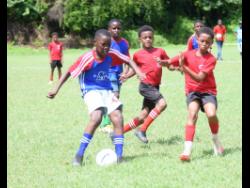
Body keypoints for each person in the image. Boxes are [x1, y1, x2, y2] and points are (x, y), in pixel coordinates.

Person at [47, 29, 145, 166]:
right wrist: (56, 89)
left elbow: (127, 59)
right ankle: (79, 155)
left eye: (108, 44)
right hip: (90, 90)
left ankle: (119, 156)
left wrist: (139, 72)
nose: (106, 48)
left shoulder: (111, 53)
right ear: (95, 43)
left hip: (107, 90)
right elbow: (69, 71)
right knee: (97, 116)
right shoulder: (87, 58)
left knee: (118, 117)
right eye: (103, 44)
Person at [160, 27, 224, 161]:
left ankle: (215, 139)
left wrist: (184, 68)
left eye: (208, 42)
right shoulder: (187, 54)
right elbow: (171, 62)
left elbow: (199, 78)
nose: (204, 44)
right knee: (192, 114)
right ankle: (186, 151)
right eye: (202, 41)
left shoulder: (211, 59)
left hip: (208, 92)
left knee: (211, 114)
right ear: (197, 40)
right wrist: (163, 63)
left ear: (212, 43)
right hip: (193, 92)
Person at [120, 25, 175, 144]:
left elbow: (170, 65)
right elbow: (135, 69)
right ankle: (142, 130)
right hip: (145, 86)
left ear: (153, 38)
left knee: (142, 117)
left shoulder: (160, 51)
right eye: (145, 37)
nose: (148, 39)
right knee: (162, 104)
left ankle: (117, 134)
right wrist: (126, 76)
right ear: (140, 39)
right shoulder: (138, 54)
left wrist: (171, 64)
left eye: (150, 37)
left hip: (155, 87)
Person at [99, 19, 131, 133]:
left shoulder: (124, 43)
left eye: (118, 28)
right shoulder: (106, 42)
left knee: (114, 97)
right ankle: (105, 124)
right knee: (115, 95)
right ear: (109, 30)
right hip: (108, 72)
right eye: (113, 28)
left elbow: (127, 58)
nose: (116, 30)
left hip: (119, 72)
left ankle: (108, 122)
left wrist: (126, 72)